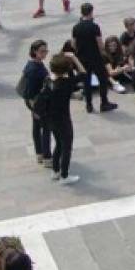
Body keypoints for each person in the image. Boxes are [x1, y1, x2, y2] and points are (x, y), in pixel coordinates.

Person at [72, 2, 118, 113]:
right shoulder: (94, 27)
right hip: (95, 57)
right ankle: (104, 103)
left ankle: (89, 105)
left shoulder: (76, 27)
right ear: (91, 12)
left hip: (82, 59)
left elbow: (73, 44)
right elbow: (100, 44)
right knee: (103, 79)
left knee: (86, 82)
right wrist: (105, 54)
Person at [47, 53, 81, 184]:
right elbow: (83, 73)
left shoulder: (49, 81)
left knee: (58, 145)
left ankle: (55, 171)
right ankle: (64, 176)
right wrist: (74, 58)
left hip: (51, 118)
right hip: (64, 119)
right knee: (67, 147)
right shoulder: (66, 83)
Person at [20, 40, 51, 167]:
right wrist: (34, 109)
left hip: (37, 103)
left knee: (37, 128)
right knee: (46, 129)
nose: (45, 53)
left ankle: (39, 154)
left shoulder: (34, 64)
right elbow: (29, 92)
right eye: (42, 51)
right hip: (38, 104)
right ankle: (47, 157)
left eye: (46, 51)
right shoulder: (34, 69)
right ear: (34, 52)